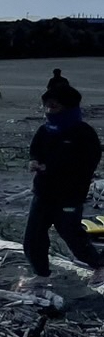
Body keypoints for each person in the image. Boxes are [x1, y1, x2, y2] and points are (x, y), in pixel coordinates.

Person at [19, 85, 104, 292]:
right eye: (47, 106)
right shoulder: (45, 130)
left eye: (54, 107)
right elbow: (35, 150)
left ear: (67, 107)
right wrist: (34, 161)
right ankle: (41, 274)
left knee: (71, 234)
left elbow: (87, 163)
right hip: (43, 193)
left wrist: (52, 168)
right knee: (33, 237)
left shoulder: (83, 133)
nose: (49, 111)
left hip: (69, 196)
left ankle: (100, 266)